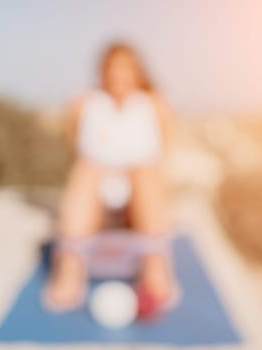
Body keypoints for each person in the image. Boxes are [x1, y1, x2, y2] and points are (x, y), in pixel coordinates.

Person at [44, 43, 176, 312]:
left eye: (125, 67)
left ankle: (154, 266)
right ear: (103, 71)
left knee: (145, 172)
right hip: (95, 197)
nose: (119, 74)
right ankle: (70, 268)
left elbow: (164, 152)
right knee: (87, 169)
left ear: (137, 71)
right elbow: (75, 147)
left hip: (139, 199)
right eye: (113, 67)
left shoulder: (154, 104)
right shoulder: (84, 103)